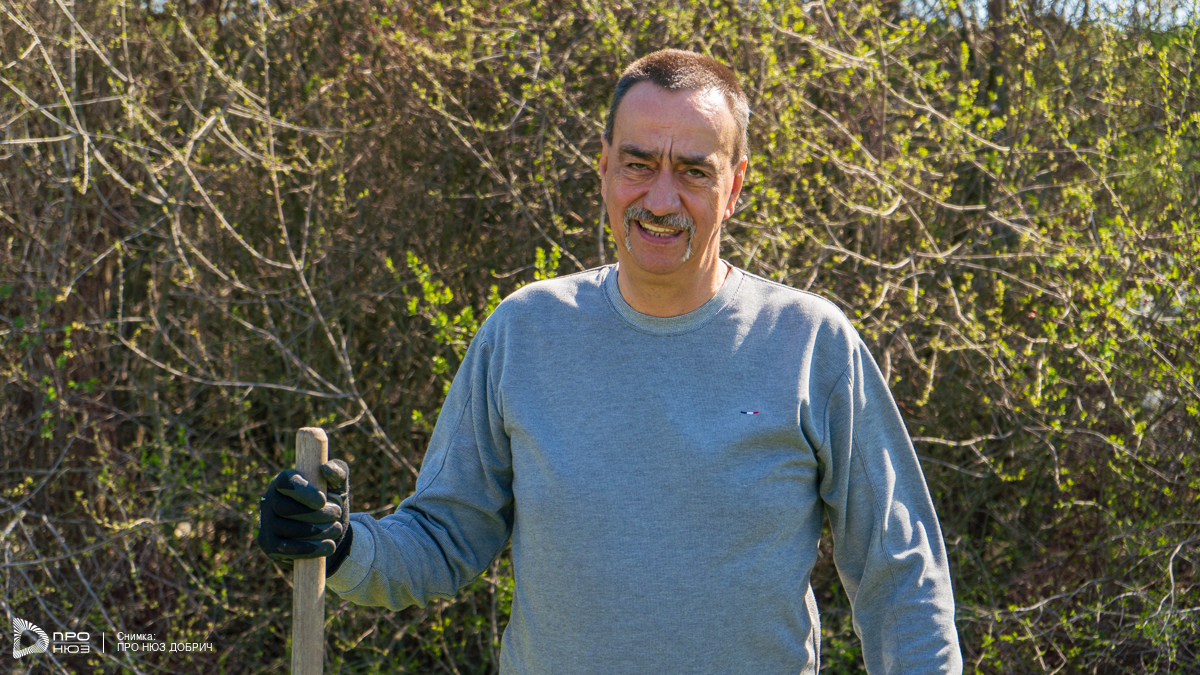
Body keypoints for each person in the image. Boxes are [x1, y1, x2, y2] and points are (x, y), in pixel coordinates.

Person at [258, 49, 963, 674]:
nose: (661, 198)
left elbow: (900, 575)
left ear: (736, 184)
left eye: (694, 171)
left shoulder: (811, 343)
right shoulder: (524, 334)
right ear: (603, 168)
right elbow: (444, 539)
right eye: (638, 164)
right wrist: (342, 546)